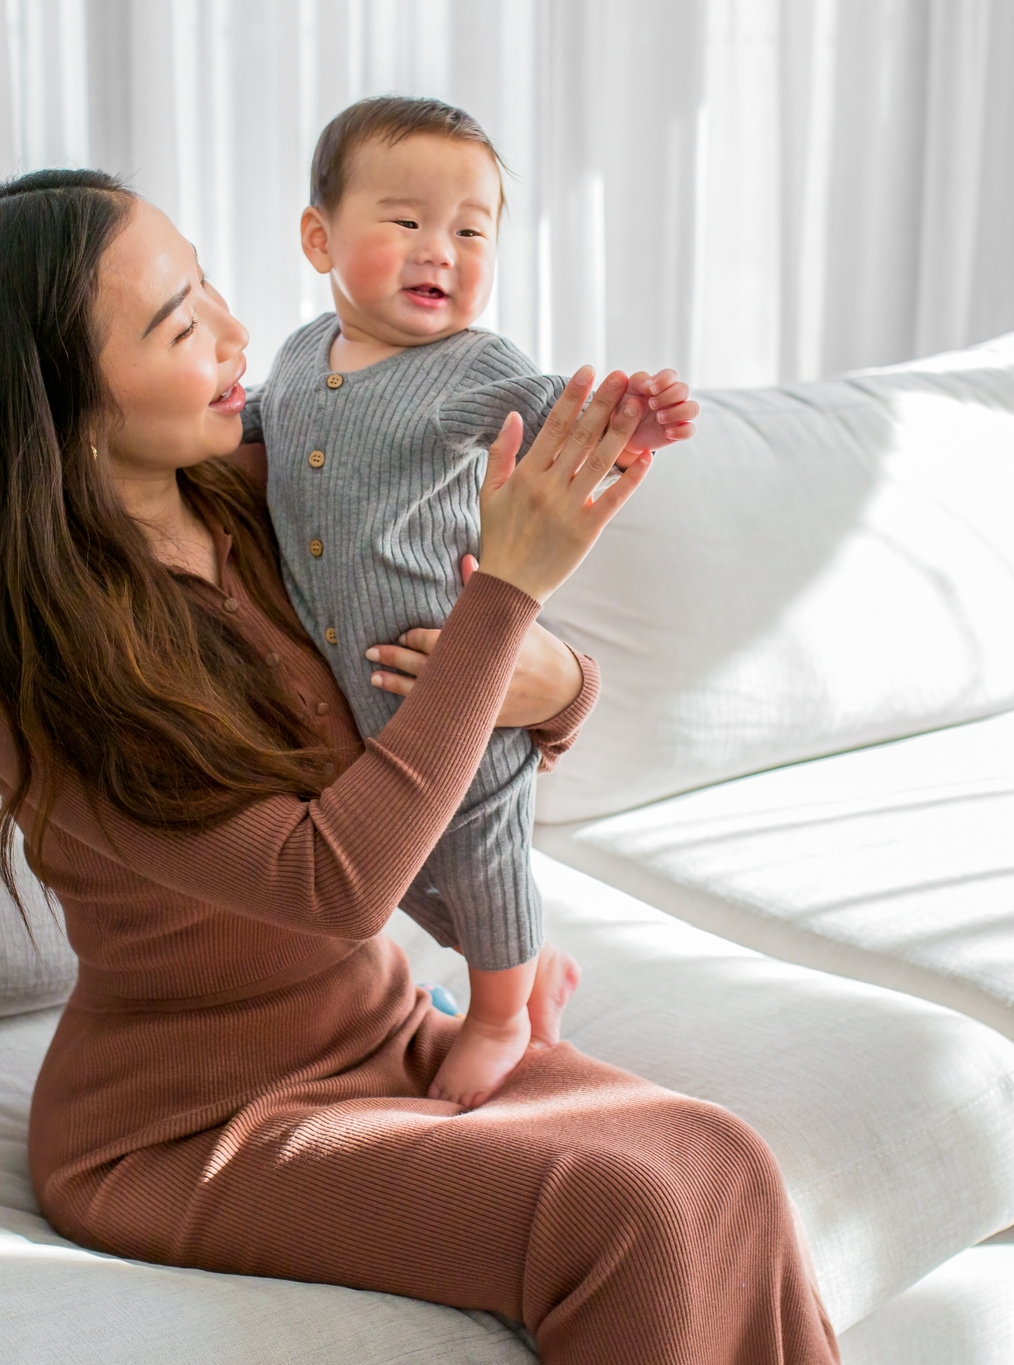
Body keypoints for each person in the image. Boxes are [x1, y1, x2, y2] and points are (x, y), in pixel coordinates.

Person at [0, 168, 838, 1364]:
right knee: (631, 1214)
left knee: (721, 1157)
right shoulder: (27, 657)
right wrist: (507, 596)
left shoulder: (258, 491)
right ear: (61, 405)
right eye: (180, 324)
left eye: (209, 287)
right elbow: (333, 885)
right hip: (189, 1127)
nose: (240, 333)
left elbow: (448, 676)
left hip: (384, 1032)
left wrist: (563, 683)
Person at [249, 95, 699, 1106]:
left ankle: (502, 1013)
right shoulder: (292, 355)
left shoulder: (473, 366)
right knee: (409, 874)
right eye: (404, 222)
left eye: (469, 230)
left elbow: (556, 416)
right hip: (352, 715)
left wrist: (628, 419)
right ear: (318, 236)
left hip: (456, 680)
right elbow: (258, 437)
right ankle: (533, 959)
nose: (436, 251)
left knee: (482, 855)